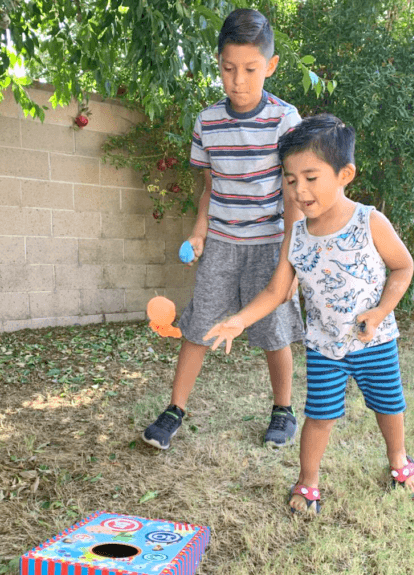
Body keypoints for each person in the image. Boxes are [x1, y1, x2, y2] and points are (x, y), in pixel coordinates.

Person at [203, 113, 414, 514]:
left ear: (344, 174)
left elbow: (403, 267)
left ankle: (398, 461)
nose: (299, 190)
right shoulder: (297, 234)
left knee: (389, 406)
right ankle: (308, 482)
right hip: (323, 347)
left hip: (374, 341)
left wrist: (380, 311)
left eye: (310, 177)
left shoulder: (369, 221)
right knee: (319, 417)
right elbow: (276, 290)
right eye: (290, 180)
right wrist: (239, 319)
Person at [142, 8, 304, 451]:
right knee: (198, 326)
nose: (239, 80)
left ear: (270, 66)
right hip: (221, 245)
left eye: (251, 69)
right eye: (229, 69)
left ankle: (283, 410)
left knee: (274, 330)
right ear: (218, 64)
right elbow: (209, 187)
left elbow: (294, 197)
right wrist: (199, 232)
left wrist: (289, 263)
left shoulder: (285, 121)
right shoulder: (207, 122)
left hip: (271, 243)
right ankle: (174, 410)